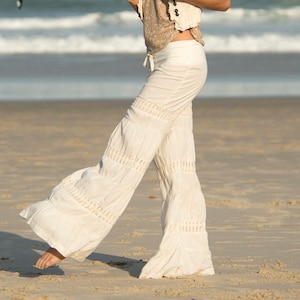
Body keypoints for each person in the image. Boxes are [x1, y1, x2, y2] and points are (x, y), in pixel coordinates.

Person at [20, 0, 230, 279]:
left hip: (182, 64)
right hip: (163, 64)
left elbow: (223, 3)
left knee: (126, 148)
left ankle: (68, 237)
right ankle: (187, 257)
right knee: (176, 166)